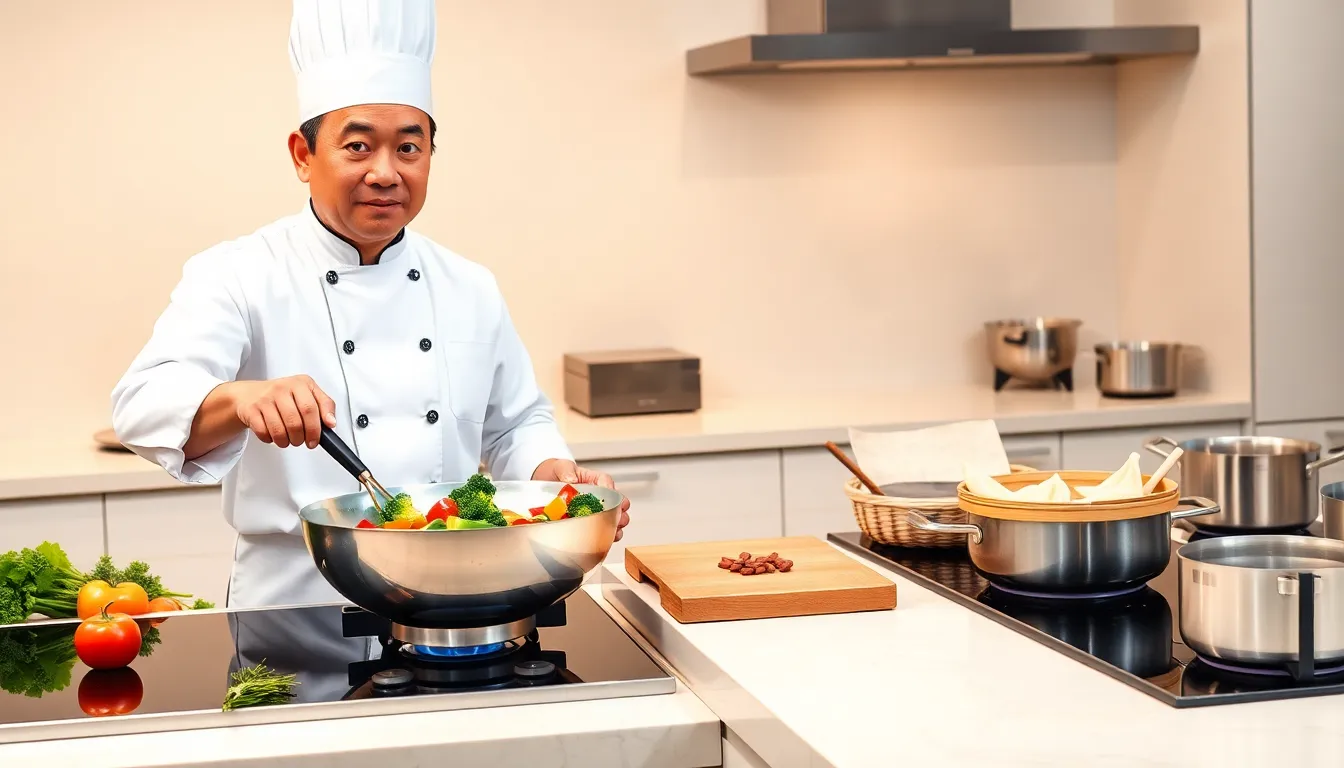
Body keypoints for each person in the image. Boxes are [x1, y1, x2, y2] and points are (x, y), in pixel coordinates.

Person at [111, 0, 629, 609]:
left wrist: (552, 475)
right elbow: (142, 405)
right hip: (294, 599)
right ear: (302, 156)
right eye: (358, 146)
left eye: (409, 148)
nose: (386, 173)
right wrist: (242, 397)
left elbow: (516, 423)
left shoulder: (468, 284)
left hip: (450, 596)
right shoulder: (238, 272)